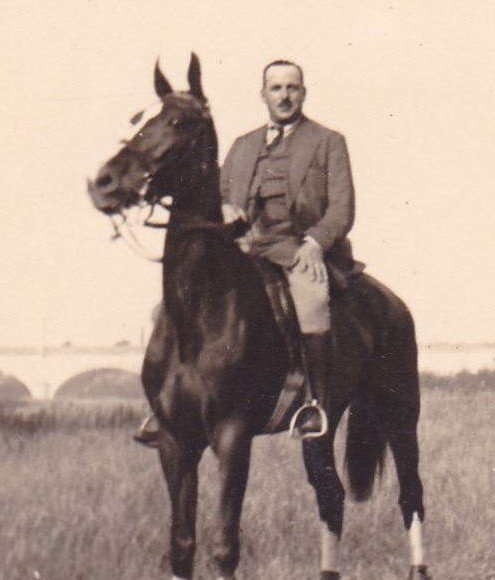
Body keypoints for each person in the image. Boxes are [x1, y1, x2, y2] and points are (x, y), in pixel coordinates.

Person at [135, 58, 359, 445]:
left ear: (303, 93)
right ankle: (165, 407)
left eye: (292, 88)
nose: (284, 96)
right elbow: (218, 195)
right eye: (276, 88)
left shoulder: (328, 142)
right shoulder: (243, 146)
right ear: (263, 94)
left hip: (297, 249)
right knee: (169, 307)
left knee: (311, 297)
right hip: (246, 248)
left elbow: (342, 208)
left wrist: (314, 244)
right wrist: (225, 209)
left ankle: (313, 404)